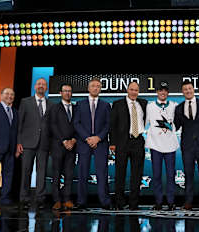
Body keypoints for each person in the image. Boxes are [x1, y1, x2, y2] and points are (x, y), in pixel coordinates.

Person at [174, 81, 199, 210]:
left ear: (193, 89)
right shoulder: (179, 108)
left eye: (189, 88)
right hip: (187, 146)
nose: (188, 91)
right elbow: (176, 125)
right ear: (182, 92)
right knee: (188, 173)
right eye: (185, 89)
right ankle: (188, 202)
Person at [73, 78, 112, 209]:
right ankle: (81, 202)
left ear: (100, 89)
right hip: (84, 143)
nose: (96, 88)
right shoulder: (79, 104)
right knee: (82, 172)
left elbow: (108, 124)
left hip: (100, 143)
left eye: (98, 86)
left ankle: (105, 201)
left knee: (102, 173)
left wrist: (98, 138)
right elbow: (76, 123)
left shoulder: (106, 105)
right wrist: (88, 138)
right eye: (93, 86)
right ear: (88, 88)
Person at [16, 78, 54, 208]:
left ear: (46, 88)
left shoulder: (51, 104)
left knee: (41, 172)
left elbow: (52, 126)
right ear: (35, 87)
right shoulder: (25, 102)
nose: (41, 86)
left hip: (44, 144)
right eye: (39, 84)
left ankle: (40, 199)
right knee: (26, 171)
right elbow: (19, 123)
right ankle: (24, 198)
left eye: (43, 84)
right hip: (27, 143)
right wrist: (18, 142)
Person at [109, 82, 148, 210]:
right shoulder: (118, 104)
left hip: (138, 141)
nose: (133, 92)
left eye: (136, 90)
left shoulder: (144, 103)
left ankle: (133, 203)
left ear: (138, 91)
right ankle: (119, 202)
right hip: (122, 142)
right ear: (127, 90)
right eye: (131, 89)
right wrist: (113, 143)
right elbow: (112, 125)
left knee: (137, 175)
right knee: (120, 173)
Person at [144, 81, 179, 211]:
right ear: (157, 92)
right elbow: (144, 123)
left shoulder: (175, 106)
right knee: (157, 175)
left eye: (165, 90)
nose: (162, 92)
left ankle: (171, 202)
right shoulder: (150, 106)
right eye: (160, 90)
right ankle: (158, 202)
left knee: (171, 175)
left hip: (170, 145)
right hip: (155, 145)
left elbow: (179, 123)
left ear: (168, 92)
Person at [48, 83, 77, 211]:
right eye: (65, 91)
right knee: (56, 173)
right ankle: (56, 200)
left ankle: (67, 199)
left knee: (69, 174)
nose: (67, 93)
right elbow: (53, 126)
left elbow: (78, 125)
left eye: (69, 91)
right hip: (58, 146)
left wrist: (73, 140)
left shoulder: (76, 108)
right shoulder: (54, 108)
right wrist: (64, 140)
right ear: (60, 93)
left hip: (72, 147)